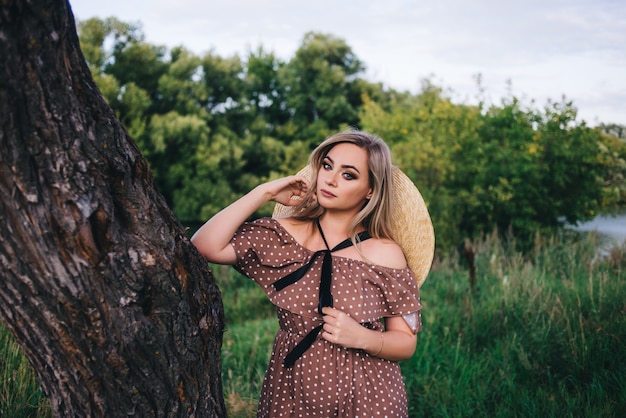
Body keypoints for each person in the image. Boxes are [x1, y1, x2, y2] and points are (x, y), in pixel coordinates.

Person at [191, 129, 434, 417]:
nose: (330, 179)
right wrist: (264, 192)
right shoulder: (283, 235)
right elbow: (203, 246)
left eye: (349, 174)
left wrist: (364, 338)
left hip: (369, 395)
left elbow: (406, 344)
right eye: (327, 166)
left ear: (370, 189)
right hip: (291, 388)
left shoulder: (386, 254)